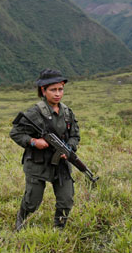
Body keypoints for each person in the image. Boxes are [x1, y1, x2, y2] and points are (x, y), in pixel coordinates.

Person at [10, 69, 80, 230]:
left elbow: (75, 136)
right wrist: (34, 142)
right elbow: (15, 133)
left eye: (60, 89)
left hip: (60, 164)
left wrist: (69, 148)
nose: (58, 94)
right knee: (32, 201)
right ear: (43, 90)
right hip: (38, 163)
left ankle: (59, 229)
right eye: (53, 90)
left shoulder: (67, 113)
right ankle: (21, 219)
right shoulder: (34, 113)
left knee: (66, 200)